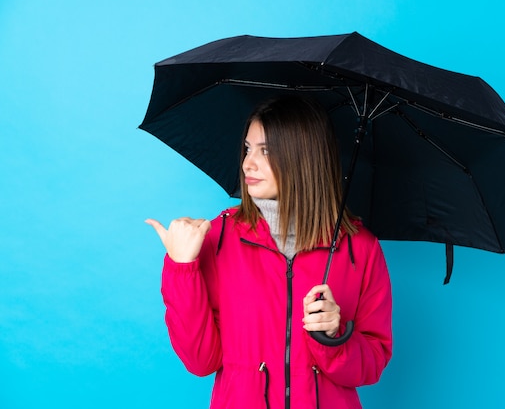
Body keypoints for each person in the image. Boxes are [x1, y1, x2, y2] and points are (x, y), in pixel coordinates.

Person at [146, 96, 392, 409]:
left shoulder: (360, 248)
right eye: (247, 149)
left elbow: (372, 364)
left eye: (265, 151)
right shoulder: (218, 238)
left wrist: (334, 335)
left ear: (303, 158)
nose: (248, 163)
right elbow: (200, 361)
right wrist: (183, 267)